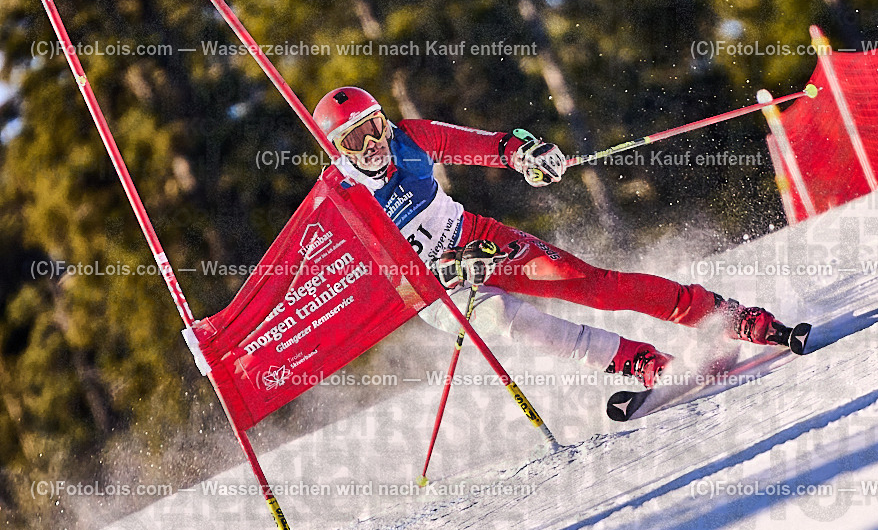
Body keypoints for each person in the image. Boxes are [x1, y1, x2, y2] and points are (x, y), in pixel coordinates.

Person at [313, 87, 805, 389]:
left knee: (592, 284)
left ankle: (731, 317)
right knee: (508, 319)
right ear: (336, 150)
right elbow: (372, 279)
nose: (372, 143)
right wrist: (441, 272)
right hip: (437, 288)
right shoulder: (341, 198)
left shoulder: (411, 138)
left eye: (373, 126)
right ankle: (640, 362)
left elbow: (488, 146)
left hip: (477, 238)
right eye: (354, 139)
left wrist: (526, 155)